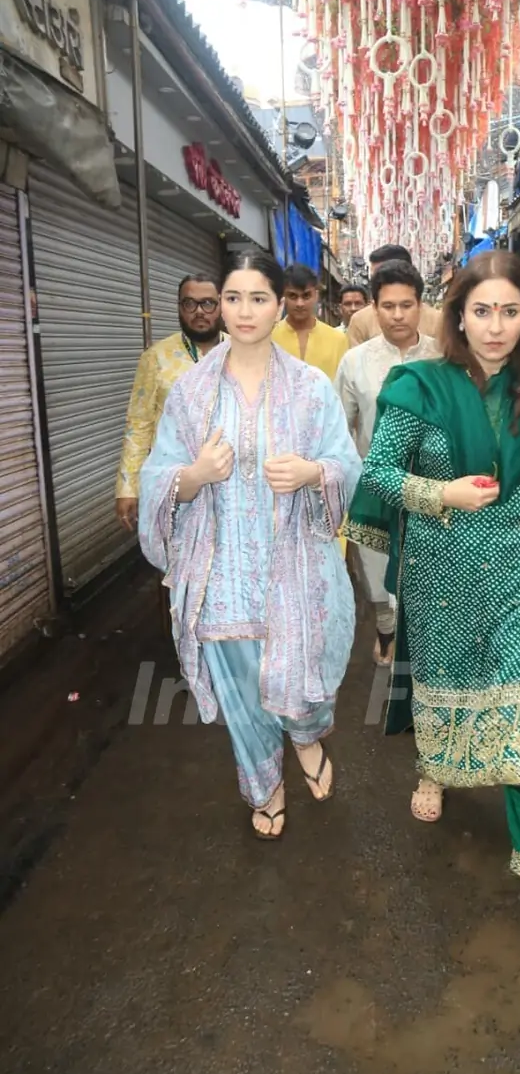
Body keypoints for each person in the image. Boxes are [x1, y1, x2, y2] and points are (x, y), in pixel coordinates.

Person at [344, 251, 520, 941]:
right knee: (445, 686)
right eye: (481, 311)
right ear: (457, 316)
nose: (496, 327)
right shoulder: (420, 384)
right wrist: (439, 492)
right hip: (443, 562)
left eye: (511, 311)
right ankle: (434, 768)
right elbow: (380, 471)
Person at [138, 252, 362, 839]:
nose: (242, 311)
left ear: (280, 303)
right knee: (243, 692)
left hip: (294, 567)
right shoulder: (190, 393)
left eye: (257, 298)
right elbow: (160, 476)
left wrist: (314, 472)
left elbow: (347, 464)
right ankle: (265, 785)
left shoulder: (312, 390)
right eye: (232, 298)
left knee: (301, 679)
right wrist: (196, 475)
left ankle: (308, 735)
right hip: (221, 575)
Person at [334, 260, 439, 666]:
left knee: (428, 577)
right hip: (374, 486)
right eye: (388, 306)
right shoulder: (355, 362)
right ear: (374, 309)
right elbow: (340, 427)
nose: (398, 315)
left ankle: (424, 648)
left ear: (420, 306)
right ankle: (385, 630)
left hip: (433, 488)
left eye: (406, 305)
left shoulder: (443, 356)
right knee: (377, 575)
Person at [116, 274, 223, 533]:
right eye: (190, 304)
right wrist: (127, 487)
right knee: (172, 564)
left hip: (229, 484)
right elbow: (138, 424)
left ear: (220, 306)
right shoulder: (156, 359)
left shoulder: (239, 353)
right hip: (172, 485)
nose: (199, 312)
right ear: (179, 307)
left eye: (208, 303)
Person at [347, 245, 441, 346]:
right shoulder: (360, 321)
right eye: (374, 276)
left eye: (406, 305)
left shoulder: (438, 321)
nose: (398, 316)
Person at [272, 263, 347, 381]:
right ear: (283, 297)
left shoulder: (338, 340)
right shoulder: (269, 338)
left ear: (316, 296)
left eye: (306, 296)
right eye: (292, 296)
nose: (299, 303)